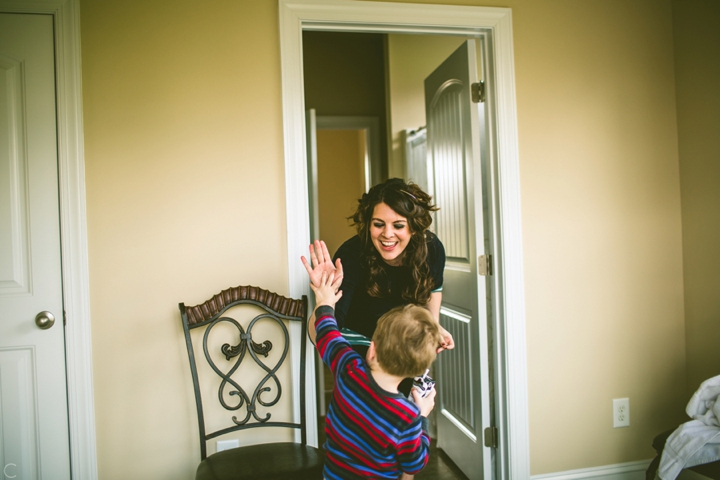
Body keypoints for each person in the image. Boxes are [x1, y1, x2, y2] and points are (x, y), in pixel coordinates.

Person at [308, 267, 440, 479]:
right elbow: (415, 463)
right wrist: (422, 416)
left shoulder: (349, 368)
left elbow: (326, 332)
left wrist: (325, 299)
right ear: (416, 371)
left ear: (372, 349)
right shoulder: (407, 417)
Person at [302, 178, 454, 355]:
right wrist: (324, 300)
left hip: (404, 346)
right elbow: (319, 337)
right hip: (354, 350)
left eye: (398, 225)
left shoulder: (432, 249)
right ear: (368, 225)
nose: (387, 234)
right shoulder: (349, 257)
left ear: (413, 227)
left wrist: (433, 326)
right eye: (378, 224)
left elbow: (434, 289)